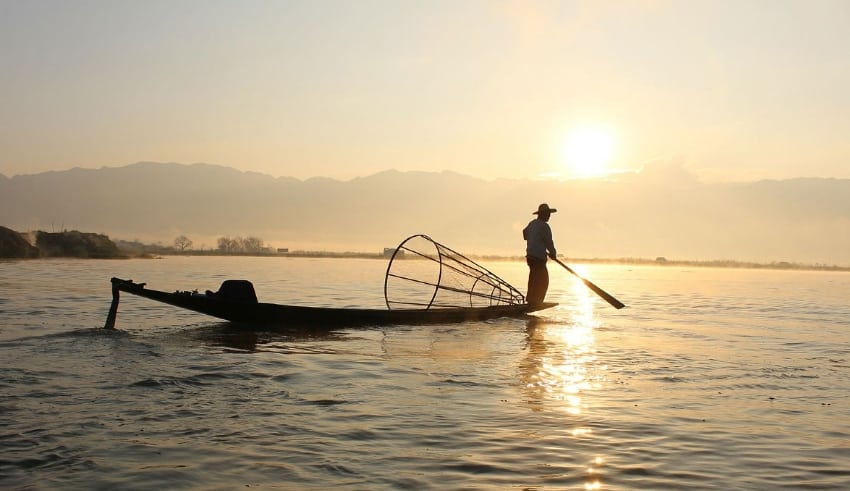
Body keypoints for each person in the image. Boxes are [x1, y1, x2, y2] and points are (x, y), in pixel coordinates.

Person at [522, 203, 557, 305]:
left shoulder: (532, 223)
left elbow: (524, 234)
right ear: (542, 214)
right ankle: (536, 302)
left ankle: (530, 299)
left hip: (530, 257)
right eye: (547, 214)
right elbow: (549, 242)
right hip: (538, 258)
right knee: (543, 280)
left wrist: (533, 238)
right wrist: (553, 253)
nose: (549, 216)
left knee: (533, 278)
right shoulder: (544, 226)